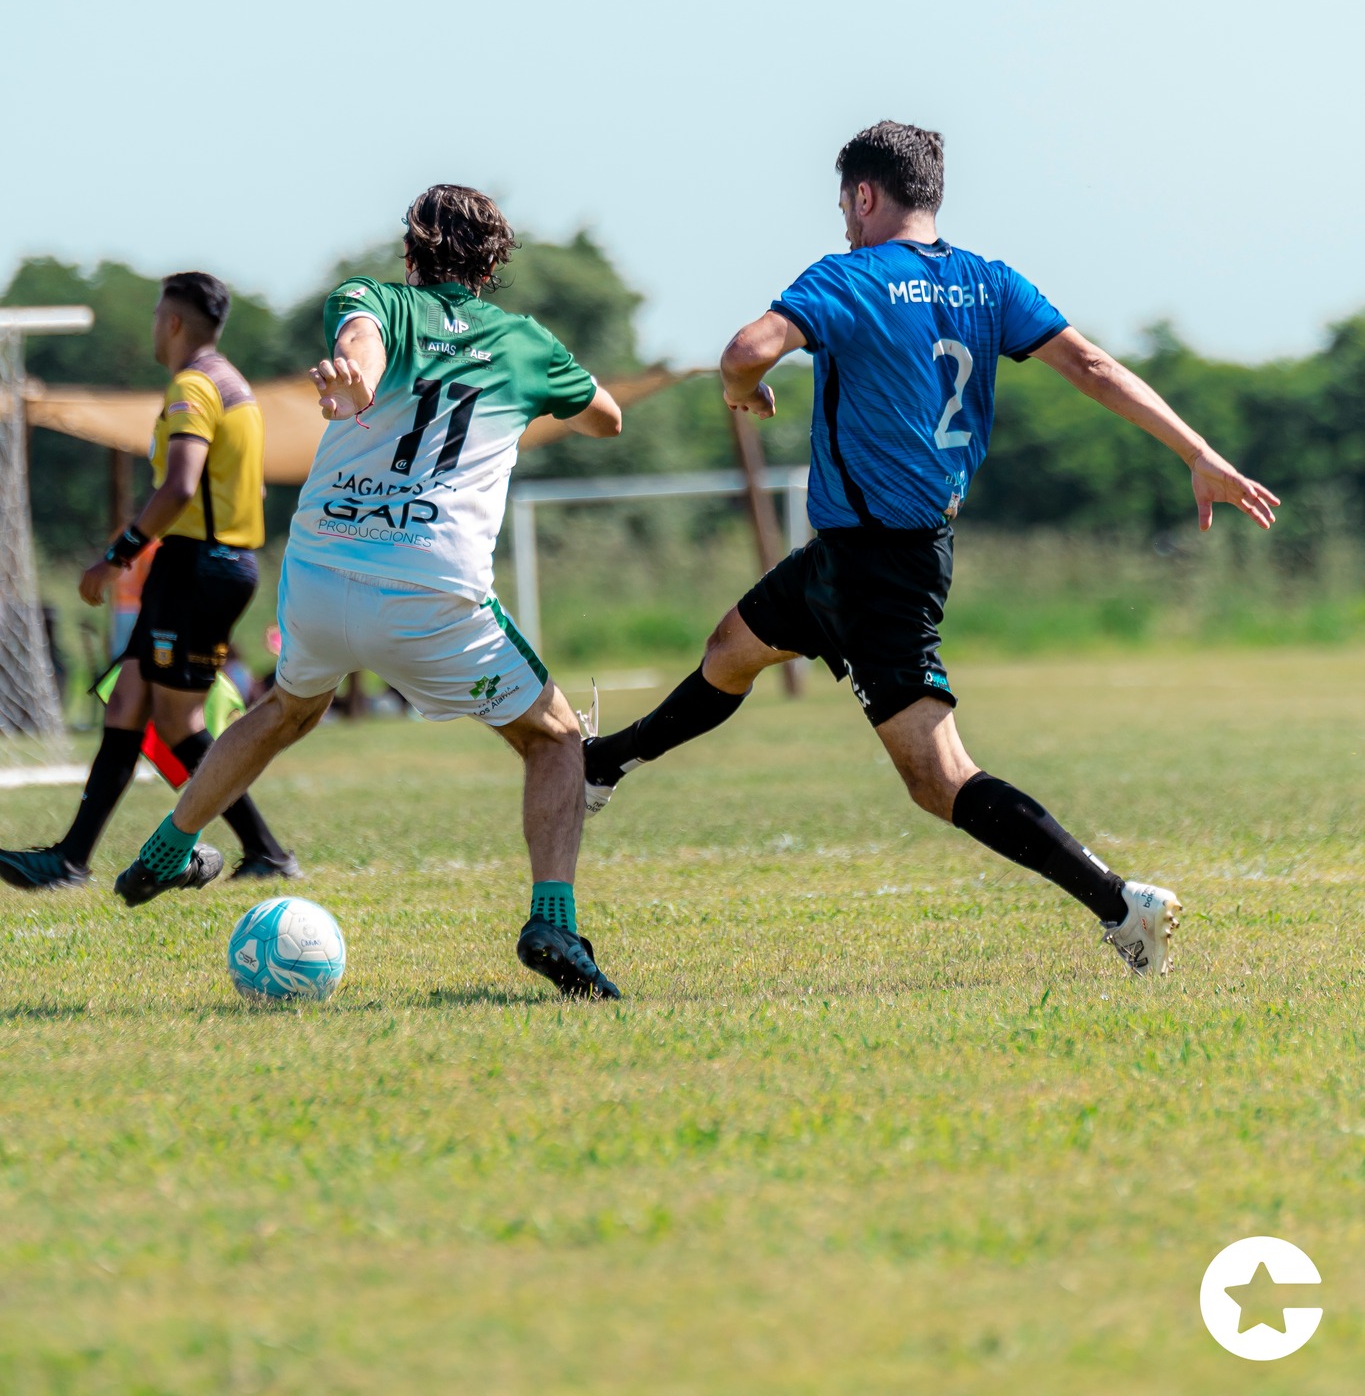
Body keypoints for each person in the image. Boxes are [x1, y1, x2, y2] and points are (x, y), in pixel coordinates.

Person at [583, 121, 1280, 976]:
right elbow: (1093, 367)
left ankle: (1119, 905)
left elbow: (744, 351)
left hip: (878, 565)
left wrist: (745, 390)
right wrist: (1198, 453)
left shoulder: (846, 276)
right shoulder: (989, 281)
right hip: (862, 551)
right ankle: (600, 767)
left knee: (936, 776)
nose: (843, 220)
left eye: (844, 203)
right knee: (732, 649)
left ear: (864, 195)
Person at [115, 186, 625, 1002]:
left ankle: (168, 849)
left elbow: (361, 347)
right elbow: (606, 419)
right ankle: (553, 921)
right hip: (430, 586)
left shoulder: (372, 298)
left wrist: (358, 387)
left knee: (285, 711)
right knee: (556, 738)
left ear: (411, 252)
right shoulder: (525, 342)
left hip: (321, 571)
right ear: (494, 262)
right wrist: (536, 394)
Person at [0, 273, 296, 892]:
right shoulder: (235, 385)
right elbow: (249, 489)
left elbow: (181, 485)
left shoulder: (194, 386)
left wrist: (116, 557)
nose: (155, 325)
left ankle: (264, 850)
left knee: (178, 721)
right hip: (202, 565)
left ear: (175, 323)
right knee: (129, 700)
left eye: (159, 314)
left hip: (198, 567)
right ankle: (69, 860)